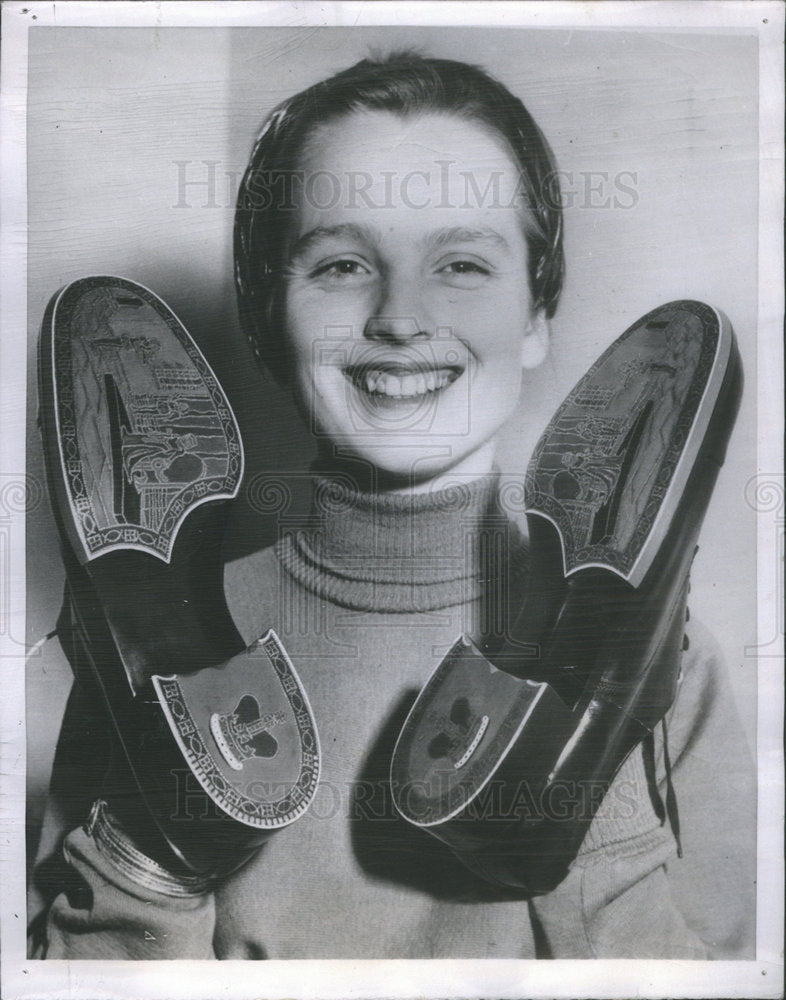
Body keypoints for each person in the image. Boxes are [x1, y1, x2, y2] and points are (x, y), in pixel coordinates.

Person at [28, 52, 755, 960]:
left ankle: (571, 739)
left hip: (611, 669)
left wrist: (587, 800)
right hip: (154, 667)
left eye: (461, 264)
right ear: (266, 318)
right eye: (341, 264)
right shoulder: (136, 658)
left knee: (580, 741)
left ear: (536, 317)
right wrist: (156, 855)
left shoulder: (667, 666)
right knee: (170, 763)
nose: (401, 317)